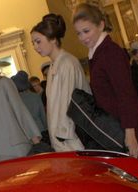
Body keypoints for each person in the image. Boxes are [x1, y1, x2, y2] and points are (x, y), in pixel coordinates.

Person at [72, 3, 138, 162]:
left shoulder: (110, 52)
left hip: (125, 128)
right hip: (116, 128)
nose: (83, 38)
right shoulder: (97, 53)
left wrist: (130, 134)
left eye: (86, 31)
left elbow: (126, 94)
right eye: (79, 33)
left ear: (101, 25)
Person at [31, 13, 89, 151]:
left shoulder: (67, 63)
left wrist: (62, 138)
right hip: (63, 139)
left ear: (52, 39)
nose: (35, 47)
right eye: (33, 43)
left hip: (73, 139)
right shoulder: (53, 65)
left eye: (38, 41)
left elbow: (68, 104)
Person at [11, 71, 49, 145]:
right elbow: (43, 115)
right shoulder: (35, 96)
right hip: (41, 130)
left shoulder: (16, 100)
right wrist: (47, 128)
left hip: (27, 133)